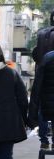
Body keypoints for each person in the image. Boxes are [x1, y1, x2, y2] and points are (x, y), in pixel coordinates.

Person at [29, 11, 54, 150]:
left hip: (44, 75)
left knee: (43, 110)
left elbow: (35, 54)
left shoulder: (42, 34)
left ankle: (44, 140)